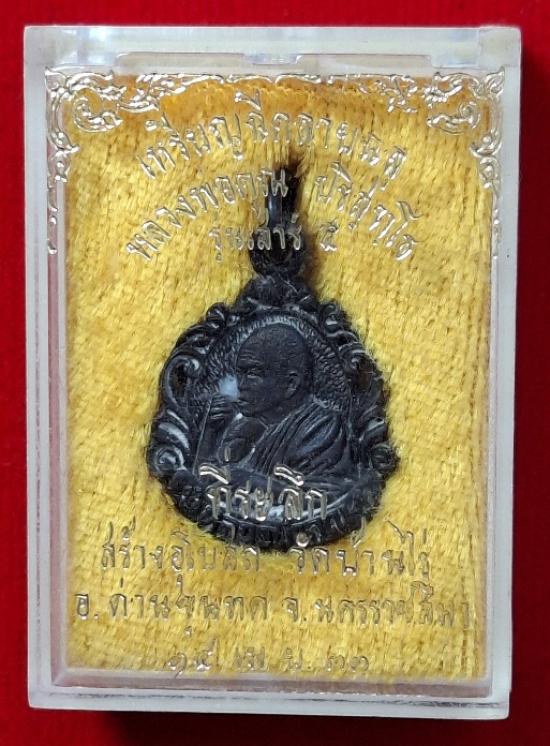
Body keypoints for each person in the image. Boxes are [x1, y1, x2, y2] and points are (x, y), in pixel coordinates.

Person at [202, 323, 351, 479]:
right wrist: (210, 434)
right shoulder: (244, 430)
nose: (241, 385)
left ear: (291, 384)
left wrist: (246, 479)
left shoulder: (320, 426)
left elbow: (321, 489)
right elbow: (203, 483)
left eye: (253, 373)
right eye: (240, 374)